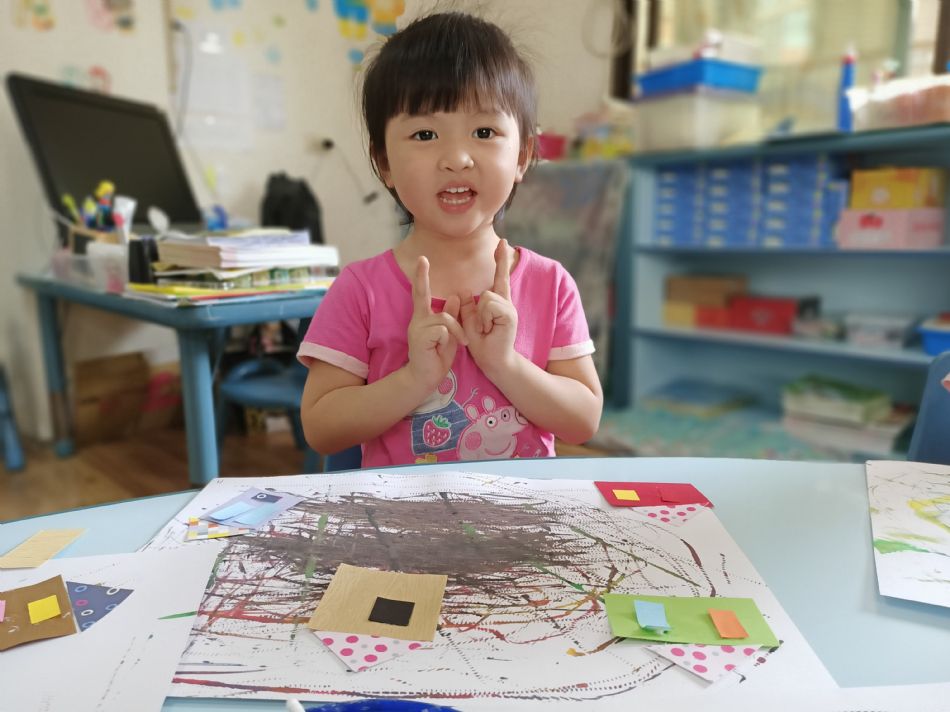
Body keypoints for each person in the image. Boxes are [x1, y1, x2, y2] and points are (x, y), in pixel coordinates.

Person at [297, 11, 602, 467]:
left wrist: (504, 364)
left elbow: (583, 421)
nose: (457, 158)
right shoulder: (360, 290)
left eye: (484, 132)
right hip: (402, 510)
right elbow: (321, 428)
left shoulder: (550, 284)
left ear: (522, 155)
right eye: (425, 134)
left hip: (521, 508)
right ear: (384, 163)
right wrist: (414, 379)